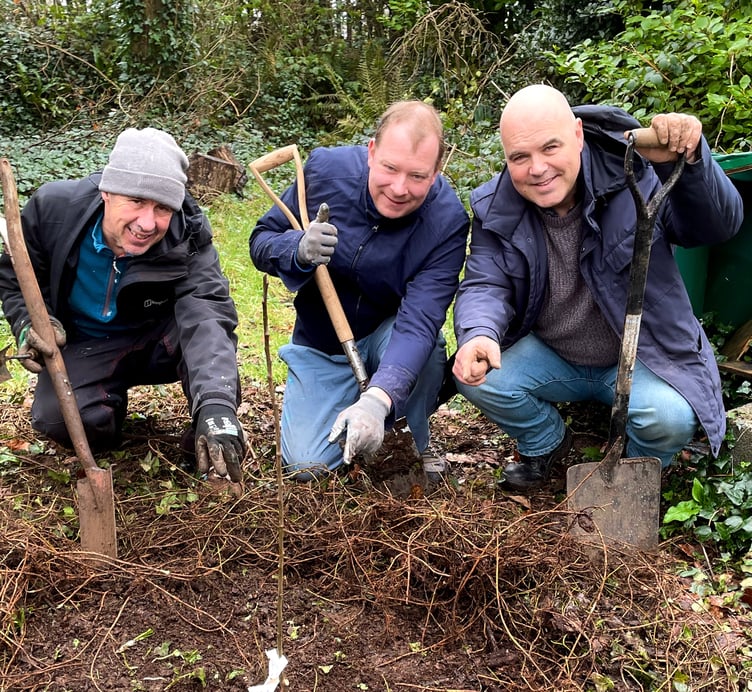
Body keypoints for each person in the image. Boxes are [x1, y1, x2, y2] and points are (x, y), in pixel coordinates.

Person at [452, 84, 744, 491]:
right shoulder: (495, 208)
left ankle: (632, 473)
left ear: (577, 134)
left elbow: (716, 226)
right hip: (556, 357)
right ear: (506, 159)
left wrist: (691, 161)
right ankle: (546, 443)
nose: (537, 169)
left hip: (640, 355)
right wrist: (479, 332)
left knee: (669, 418)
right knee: (474, 376)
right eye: (520, 157)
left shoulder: (635, 174)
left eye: (550, 148)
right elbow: (485, 282)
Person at [0, 128, 246, 482]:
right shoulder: (53, 210)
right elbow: (16, 276)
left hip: (159, 340)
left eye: (162, 208)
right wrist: (30, 323)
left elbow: (207, 312)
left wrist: (217, 406)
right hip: (88, 345)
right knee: (58, 420)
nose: (147, 223)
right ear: (107, 192)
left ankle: (205, 439)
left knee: (204, 347)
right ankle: (106, 408)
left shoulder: (186, 234)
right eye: (136, 201)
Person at [250, 100, 470, 480]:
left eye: (417, 176)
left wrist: (377, 398)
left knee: (429, 347)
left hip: (391, 338)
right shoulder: (324, 173)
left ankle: (407, 434)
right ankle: (354, 410)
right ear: (371, 152)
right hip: (322, 344)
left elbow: (419, 321)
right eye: (390, 168)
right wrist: (297, 249)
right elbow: (261, 241)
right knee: (307, 466)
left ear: (436, 173)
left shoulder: (447, 223)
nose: (399, 188)